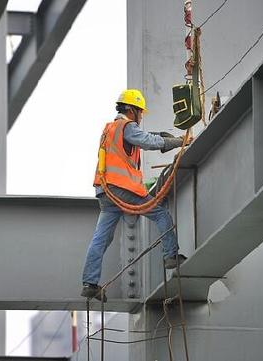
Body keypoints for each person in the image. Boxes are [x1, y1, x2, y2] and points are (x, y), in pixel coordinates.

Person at [81, 89, 189, 302]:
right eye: (140, 112)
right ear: (131, 110)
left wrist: (161, 136)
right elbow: (146, 141)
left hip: (106, 191)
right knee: (161, 214)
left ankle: (89, 283)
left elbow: (142, 138)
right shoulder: (126, 126)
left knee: (101, 238)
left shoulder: (110, 129)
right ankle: (170, 256)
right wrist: (177, 142)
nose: (141, 117)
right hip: (123, 188)